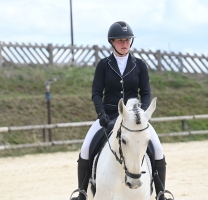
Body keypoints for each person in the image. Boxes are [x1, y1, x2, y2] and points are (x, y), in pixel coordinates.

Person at [72, 21, 167, 200]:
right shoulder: (104, 65)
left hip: (135, 119)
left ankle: (161, 193)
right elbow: (96, 93)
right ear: (112, 42)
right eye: (120, 40)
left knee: (158, 150)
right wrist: (101, 114)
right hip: (109, 116)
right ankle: (82, 192)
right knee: (85, 149)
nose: (125, 44)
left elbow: (146, 93)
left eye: (127, 40)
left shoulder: (139, 65)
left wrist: (143, 115)